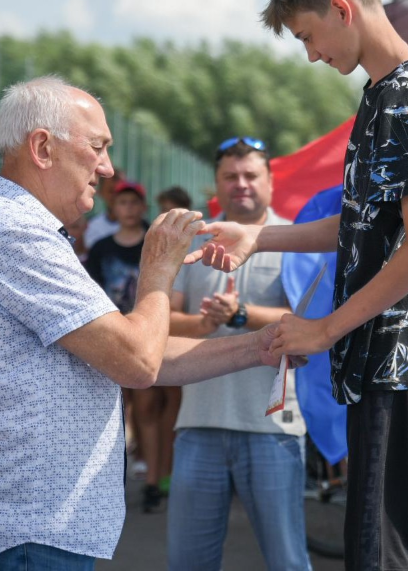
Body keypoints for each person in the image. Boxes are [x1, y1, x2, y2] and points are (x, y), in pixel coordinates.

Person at [0, 76, 295, 571]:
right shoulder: (12, 233)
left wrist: (261, 346)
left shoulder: (14, 229)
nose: (105, 168)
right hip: (25, 534)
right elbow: (137, 360)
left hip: (28, 529)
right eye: (97, 147)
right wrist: (157, 273)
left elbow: (128, 347)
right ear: (42, 147)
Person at [189, 0, 408, 571]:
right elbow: (363, 223)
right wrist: (259, 235)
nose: (311, 55)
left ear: (343, 8)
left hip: (397, 359)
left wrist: (325, 328)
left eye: (309, 36)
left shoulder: (402, 99)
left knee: (379, 553)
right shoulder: (389, 93)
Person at [167, 137, 310, 571]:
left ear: (270, 181)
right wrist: (203, 325)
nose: (241, 184)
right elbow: (159, 320)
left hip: (274, 426)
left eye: (251, 175)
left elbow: (315, 322)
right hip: (197, 424)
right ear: (216, 183)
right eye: (230, 176)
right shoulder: (194, 238)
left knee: (288, 562)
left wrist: (244, 314)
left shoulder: (296, 238)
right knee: (187, 563)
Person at [86, 180, 175, 513]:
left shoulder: (154, 244)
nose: (128, 209)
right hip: (108, 341)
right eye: (121, 203)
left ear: (142, 206)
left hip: (144, 337)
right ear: (114, 207)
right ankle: (108, 484)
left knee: (147, 412)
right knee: (110, 416)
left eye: (133, 202)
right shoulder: (101, 248)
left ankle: (152, 481)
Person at [83, 168, 124, 248]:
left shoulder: (144, 229)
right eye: (111, 191)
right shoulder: (91, 227)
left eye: (122, 191)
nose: (117, 196)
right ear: (100, 193)